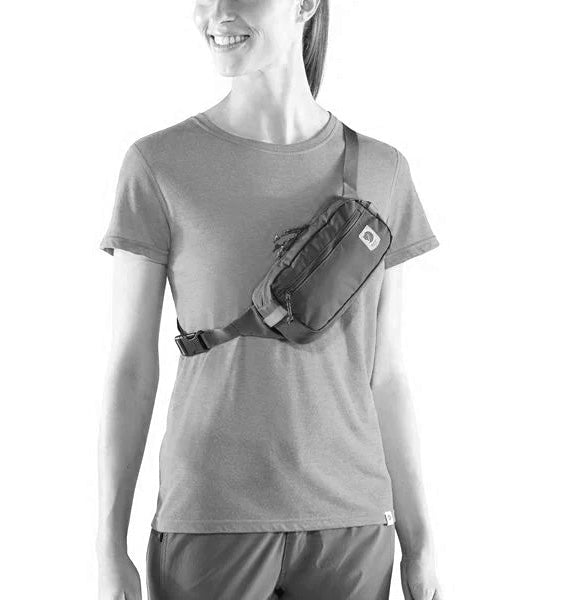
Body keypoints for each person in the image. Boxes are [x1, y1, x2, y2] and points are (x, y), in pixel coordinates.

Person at [96, 0, 444, 598]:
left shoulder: (383, 171)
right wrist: (108, 544)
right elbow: (131, 368)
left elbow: (385, 375)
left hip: (354, 524)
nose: (216, 12)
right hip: (209, 517)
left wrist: (421, 541)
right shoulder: (158, 165)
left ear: (306, 3)